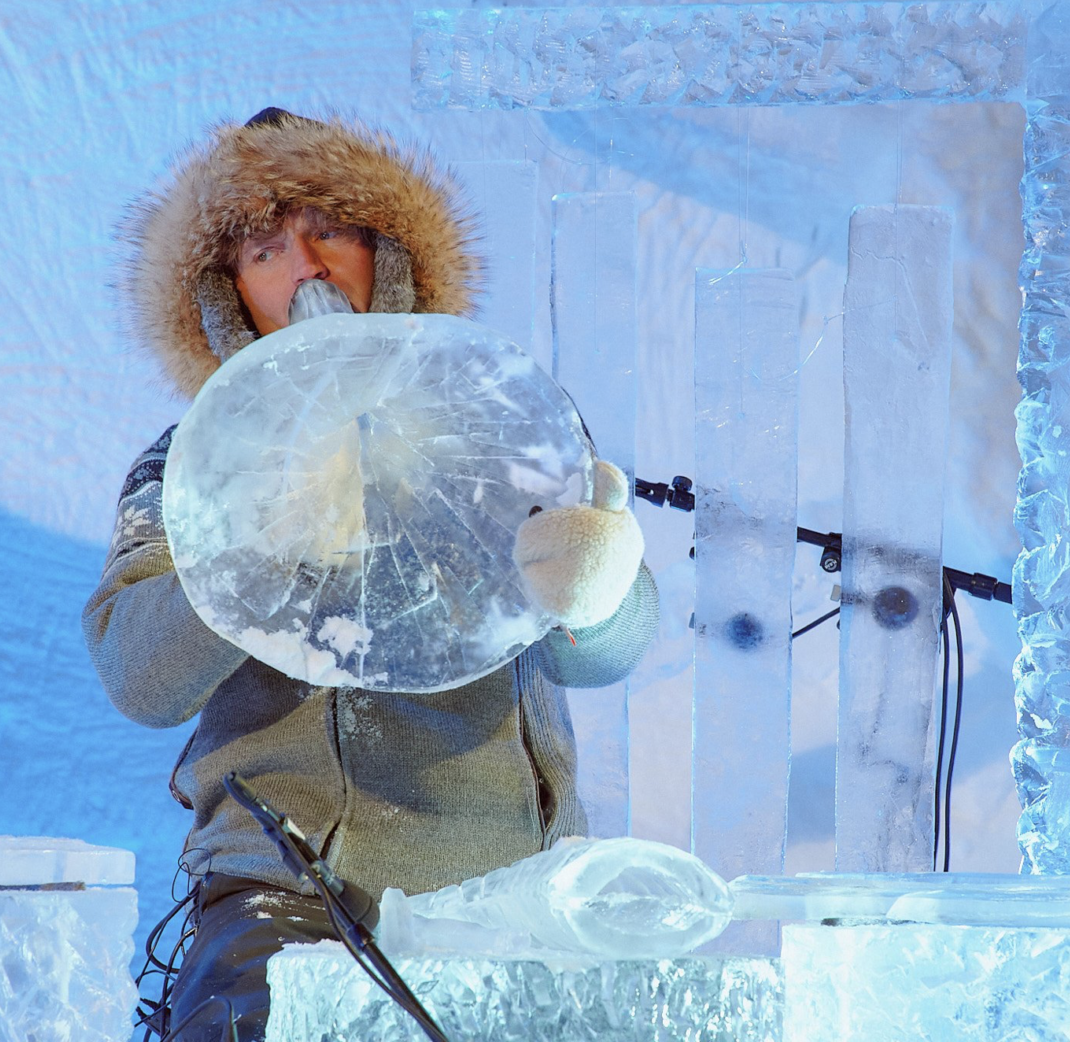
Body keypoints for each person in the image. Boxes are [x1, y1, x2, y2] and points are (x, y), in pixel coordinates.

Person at [83, 107, 657, 1041]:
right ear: (228, 291)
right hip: (294, 894)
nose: (304, 268)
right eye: (264, 250)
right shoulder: (189, 464)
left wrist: (593, 593)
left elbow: (602, 652)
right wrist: (253, 538)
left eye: (328, 232)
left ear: (385, 250)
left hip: (516, 886)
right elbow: (140, 678)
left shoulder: (501, 418)